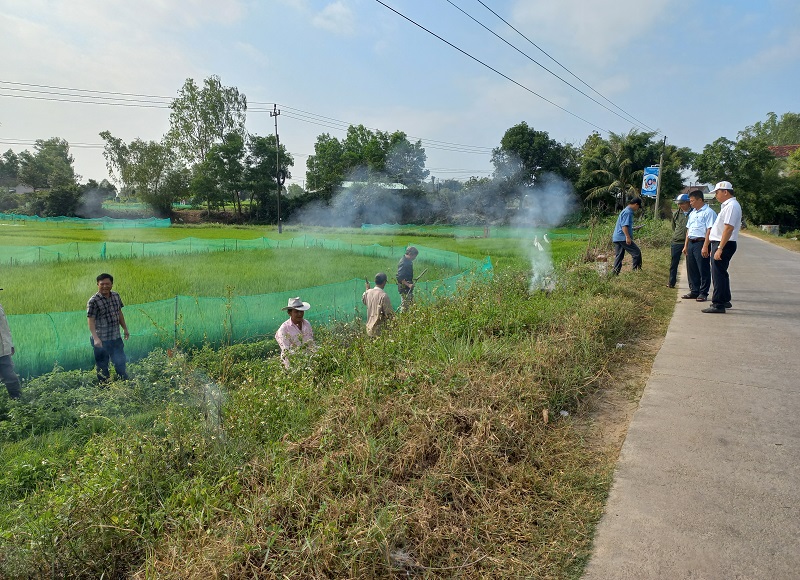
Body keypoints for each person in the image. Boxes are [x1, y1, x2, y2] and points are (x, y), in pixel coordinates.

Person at [703, 181, 742, 314]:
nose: (716, 196)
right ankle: (725, 299)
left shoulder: (731, 206)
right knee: (721, 272)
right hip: (722, 243)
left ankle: (718, 304)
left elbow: (728, 228)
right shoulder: (728, 206)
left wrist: (720, 248)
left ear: (725, 192)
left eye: (717, 193)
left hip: (723, 243)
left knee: (718, 274)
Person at [87, 273, 130, 384]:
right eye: (102, 284)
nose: (105, 286)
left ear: (112, 284)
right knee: (102, 366)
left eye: (107, 284)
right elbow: (90, 320)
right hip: (101, 339)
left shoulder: (116, 296)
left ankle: (124, 382)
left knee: (120, 361)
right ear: (97, 284)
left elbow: (119, 313)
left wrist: (125, 328)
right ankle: (104, 388)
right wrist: (96, 338)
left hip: (115, 336)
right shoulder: (93, 301)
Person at [682, 189, 717, 302]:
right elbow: (689, 230)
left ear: (700, 200)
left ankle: (703, 292)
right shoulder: (692, 213)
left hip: (701, 242)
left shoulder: (709, 212)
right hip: (691, 242)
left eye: (692, 201)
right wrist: (685, 245)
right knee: (691, 268)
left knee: (703, 268)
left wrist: (706, 246)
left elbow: (709, 229)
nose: (690, 203)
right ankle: (694, 290)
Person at [275, 297, 315, 367]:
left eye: (301, 311)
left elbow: (311, 343)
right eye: (296, 312)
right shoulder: (284, 329)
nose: (300, 314)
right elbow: (286, 351)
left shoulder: (306, 324)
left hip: (308, 362)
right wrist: (302, 357)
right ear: (289, 313)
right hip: (293, 365)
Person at [611, 198, 643, 275]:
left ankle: (614, 274)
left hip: (617, 237)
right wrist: (627, 237)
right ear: (636, 204)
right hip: (622, 237)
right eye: (638, 207)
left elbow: (625, 226)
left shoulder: (625, 211)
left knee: (619, 256)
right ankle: (636, 271)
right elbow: (624, 226)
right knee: (636, 252)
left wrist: (634, 228)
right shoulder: (628, 212)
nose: (637, 209)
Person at [668, 193, 692, 289]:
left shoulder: (694, 213)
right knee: (674, 263)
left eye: (682, 203)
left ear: (688, 203)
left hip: (690, 242)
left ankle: (693, 286)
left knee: (691, 265)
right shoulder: (676, 214)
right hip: (677, 241)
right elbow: (673, 227)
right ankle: (671, 282)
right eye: (679, 204)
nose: (680, 205)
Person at [0, 300, 21, 399]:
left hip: (3, 350)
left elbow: (4, 327)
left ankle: (18, 404)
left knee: (11, 378)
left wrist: (10, 345)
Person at [363, 272, 394, 337]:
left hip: (369, 329)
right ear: (384, 282)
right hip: (379, 331)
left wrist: (367, 289)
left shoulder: (368, 292)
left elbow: (364, 300)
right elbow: (389, 314)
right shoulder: (383, 296)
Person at [396, 246, 419, 311]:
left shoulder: (409, 261)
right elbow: (399, 277)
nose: (415, 258)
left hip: (408, 288)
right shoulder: (403, 262)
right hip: (404, 289)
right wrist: (408, 285)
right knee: (405, 308)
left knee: (412, 306)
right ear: (410, 254)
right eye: (414, 256)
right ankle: (402, 320)